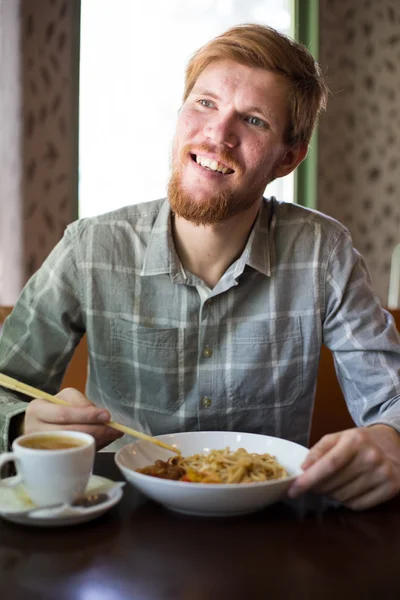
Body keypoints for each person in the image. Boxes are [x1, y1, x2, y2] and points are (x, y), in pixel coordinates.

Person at [1, 23, 400, 511]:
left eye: (253, 120)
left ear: (288, 158)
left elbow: (392, 400)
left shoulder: (324, 252)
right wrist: (22, 423)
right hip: (119, 527)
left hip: (272, 532)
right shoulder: (91, 247)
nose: (218, 135)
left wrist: (391, 440)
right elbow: (3, 387)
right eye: (205, 103)